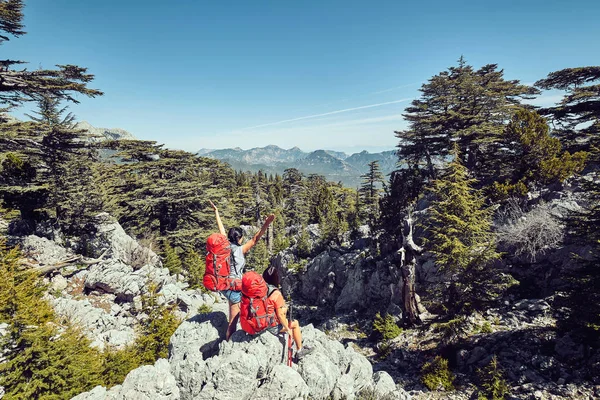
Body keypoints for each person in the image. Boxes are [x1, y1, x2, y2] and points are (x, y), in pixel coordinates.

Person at [210, 200, 275, 340]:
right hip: (234, 289)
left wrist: (216, 212)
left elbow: (221, 229)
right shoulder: (240, 250)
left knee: (235, 312)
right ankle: (229, 344)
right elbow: (256, 238)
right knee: (233, 322)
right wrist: (267, 224)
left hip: (224, 286)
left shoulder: (224, 246)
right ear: (239, 238)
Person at [261, 270, 313, 360]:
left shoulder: (261, 289)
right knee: (295, 323)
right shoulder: (275, 293)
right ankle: (299, 350)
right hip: (270, 326)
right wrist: (287, 328)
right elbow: (280, 315)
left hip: (260, 321)